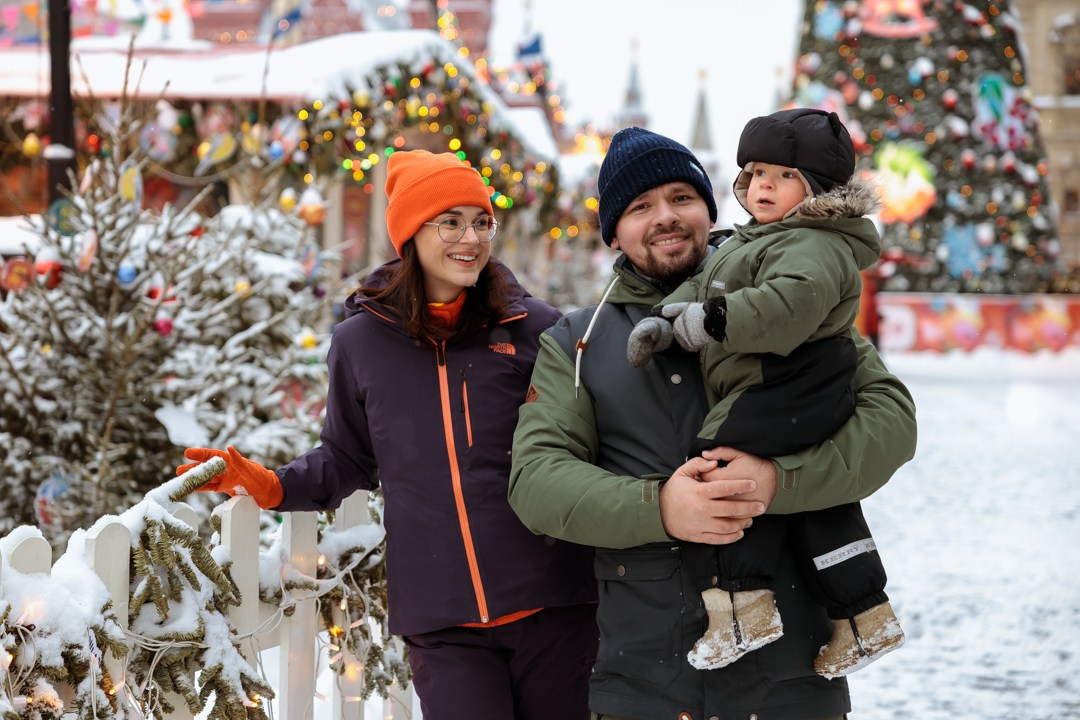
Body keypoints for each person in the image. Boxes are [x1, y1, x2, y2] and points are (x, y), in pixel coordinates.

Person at [508, 126, 917, 720]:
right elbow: (537, 480)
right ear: (614, 232)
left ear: (710, 208)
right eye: (640, 207)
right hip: (644, 683)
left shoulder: (789, 301)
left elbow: (891, 420)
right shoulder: (577, 342)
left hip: (790, 682)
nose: (666, 217)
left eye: (682, 197)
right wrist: (660, 507)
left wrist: (780, 480)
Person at [177, 150, 598, 720]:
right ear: (410, 234)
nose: (471, 238)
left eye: (482, 222)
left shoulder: (536, 328)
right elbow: (347, 455)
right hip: (442, 618)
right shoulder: (361, 343)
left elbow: (581, 443)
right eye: (450, 222)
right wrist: (272, 485)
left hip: (554, 603)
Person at [625, 108, 904, 678]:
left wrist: (709, 322)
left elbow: (787, 306)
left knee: (718, 467)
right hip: (784, 381)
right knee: (819, 507)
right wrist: (666, 320)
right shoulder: (757, 239)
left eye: (782, 175)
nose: (762, 186)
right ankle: (862, 615)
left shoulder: (814, 243)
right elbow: (706, 285)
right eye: (754, 173)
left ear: (817, 188)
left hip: (793, 379)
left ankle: (742, 607)